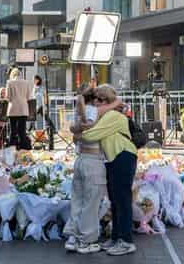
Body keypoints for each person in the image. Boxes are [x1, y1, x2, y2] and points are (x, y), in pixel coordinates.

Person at [64, 86, 122, 254]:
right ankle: (86, 241)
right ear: (99, 100)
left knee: (78, 200)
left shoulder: (85, 110)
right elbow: (87, 126)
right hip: (94, 160)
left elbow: (75, 132)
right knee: (91, 202)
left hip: (81, 158)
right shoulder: (98, 112)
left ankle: (73, 237)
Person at [82, 85, 137, 256]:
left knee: (122, 200)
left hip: (123, 156)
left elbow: (90, 134)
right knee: (115, 200)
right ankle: (116, 237)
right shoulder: (108, 115)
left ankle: (126, 241)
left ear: (105, 101)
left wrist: (83, 129)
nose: (95, 103)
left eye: (98, 99)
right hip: (115, 158)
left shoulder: (112, 116)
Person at [6, 68, 32, 150]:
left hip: (12, 109)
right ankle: (23, 151)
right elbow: (28, 97)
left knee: (13, 132)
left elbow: (8, 97)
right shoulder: (26, 82)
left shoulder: (9, 82)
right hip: (23, 109)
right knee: (22, 132)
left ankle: (11, 151)